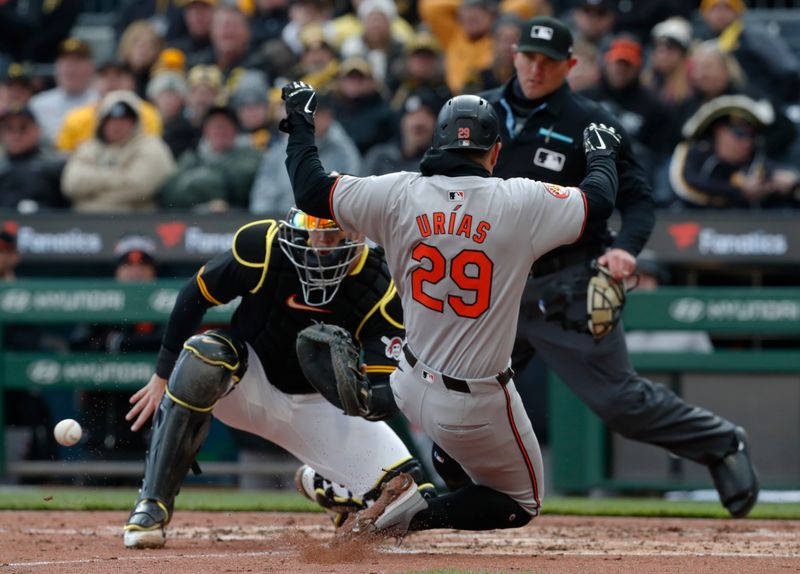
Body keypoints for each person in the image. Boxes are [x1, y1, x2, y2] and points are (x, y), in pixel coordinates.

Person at [282, 80, 620, 537]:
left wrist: (300, 124)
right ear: (495, 152)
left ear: (437, 141)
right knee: (522, 503)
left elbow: (310, 190)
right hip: (473, 399)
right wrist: (601, 154)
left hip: (409, 378)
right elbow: (598, 200)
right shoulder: (520, 200)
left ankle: (373, 474)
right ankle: (412, 514)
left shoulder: (396, 192)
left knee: (450, 440)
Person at [479, 16, 758, 517]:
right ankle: (444, 477)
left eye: (548, 61)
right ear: (514, 56)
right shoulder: (475, 113)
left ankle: (721, 443)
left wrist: (626, 246)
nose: (536, 68)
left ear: (571, 65)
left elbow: (640, 198)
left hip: (564, 279)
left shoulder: (590, 121)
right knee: (455, 383)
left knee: (620, 403)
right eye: (528, 57)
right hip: (492, 280)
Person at [122, 208, 428, 548]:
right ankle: (151, 504)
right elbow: (195, 294)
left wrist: (364, 398)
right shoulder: (265, 246)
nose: (323, 243)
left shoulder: (381, 286)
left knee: (409, 495)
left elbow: (386, 391)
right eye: (317, 232)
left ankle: (328, 487)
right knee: (203, 354)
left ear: (358, 233)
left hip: (320, 405)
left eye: (333, 233)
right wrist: (162, 374)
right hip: (248, 384)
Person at [669, 95, 800, 209]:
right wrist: (739, 192)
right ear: (719, 133)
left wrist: (792, 185)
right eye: (740, 134)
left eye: (751, 136)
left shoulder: (756, 160)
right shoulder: (695, 153)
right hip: (699, 228)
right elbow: (685, 185)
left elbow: (779, 175)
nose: (747, 142)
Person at [61, 91, 175, 212]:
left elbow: (139, 187)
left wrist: (92, 198)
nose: (117, 125)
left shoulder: (152, 146)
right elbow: (71, 184)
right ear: (102, 122)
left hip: (136, 222)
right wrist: (119, 176)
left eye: (125, 119)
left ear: (135, 122)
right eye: (111, 119)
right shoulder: (88, 147)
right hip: (84, 224)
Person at [28, 38, 97, 144]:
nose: (71, 69)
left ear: (91, 68)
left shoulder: (101, 102)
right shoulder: (37, 104)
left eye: (77, 62)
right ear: (56, 67)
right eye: (65, 61)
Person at [0, 105, 67, 211]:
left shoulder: (55, 165)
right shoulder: (2, 166)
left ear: (37, 130)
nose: (16, 135)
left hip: (47, 225)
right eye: (9, 128)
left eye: (23, 128)